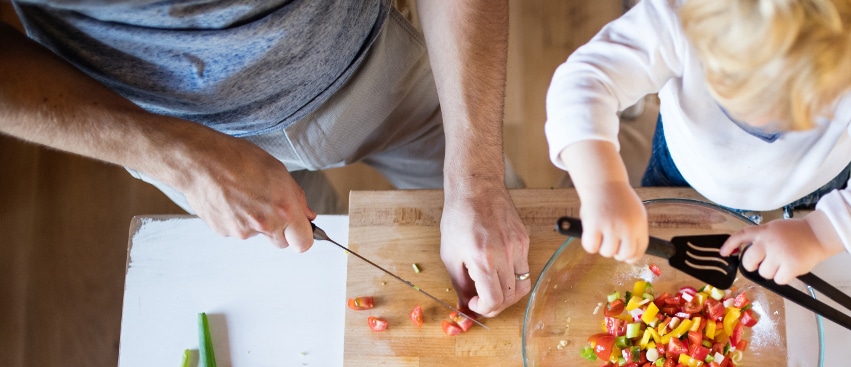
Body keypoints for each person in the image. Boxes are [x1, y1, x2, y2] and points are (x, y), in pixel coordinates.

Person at [0, 0, 530, 318]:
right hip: (169, 129)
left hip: (374, 63)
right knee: (312, 277)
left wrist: (476, 180)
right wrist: (183, 160)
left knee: (496, 232)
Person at [545, 0, 851, 286]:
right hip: (684, 169)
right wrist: (605, 186)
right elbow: (586, 79)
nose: (763, 120)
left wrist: (820, 234)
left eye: (798, 105)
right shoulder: (684, 13)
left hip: (812, 192)